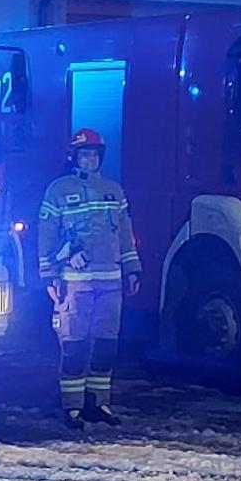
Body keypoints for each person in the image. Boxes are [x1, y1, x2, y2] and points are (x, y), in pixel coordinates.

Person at [38, 128, 142, 429]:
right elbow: (47, 236)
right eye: (84, 155)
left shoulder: (114, 190)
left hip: (110, 283)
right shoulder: (57, 191)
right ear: (75, 157)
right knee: (75, 346)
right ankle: (72, 407)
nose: (89, 160)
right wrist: (50, 275)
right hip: (74, 283)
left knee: (106, 345)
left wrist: (132, 268)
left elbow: (125, 235)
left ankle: (99, 403)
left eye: (94, 155)